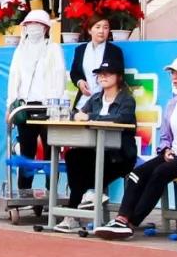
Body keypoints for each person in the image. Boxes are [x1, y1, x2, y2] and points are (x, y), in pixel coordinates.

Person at [94, 55, 177, 240]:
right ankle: (121, 218)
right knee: (138, 173)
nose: (174, 77)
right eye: (172, 73)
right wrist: (165, 148)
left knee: (160, 172)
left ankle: (131, 223)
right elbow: (166, 134)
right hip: (174, 153)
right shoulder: (172, 103)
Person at [56, 59, 137, 232]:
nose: (103, 77)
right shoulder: (95, 98)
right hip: (95, 150)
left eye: (108, 73)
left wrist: (90, 117)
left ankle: (78, 207)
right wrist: (76, 116)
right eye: (100, 74)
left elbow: (121, 118)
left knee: (91, 164)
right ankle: (80, 205)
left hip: (120, 154)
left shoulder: (127, 100)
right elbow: (79, 114)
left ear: (119, 77)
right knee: (74, 156)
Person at [5, 10, 65, 194]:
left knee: (51, 150)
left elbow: (60, 76)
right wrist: (11, 105)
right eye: (30, 25)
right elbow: (14, 79)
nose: (34, 28)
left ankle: (51, 192)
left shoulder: (53, 49)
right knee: (26, 151)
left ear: (46, 28)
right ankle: (24, 190)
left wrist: (57, 104)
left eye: (38, 25)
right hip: (25, 107)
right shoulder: (20, 51)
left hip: (49, 107)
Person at [69, 16, 123, 109]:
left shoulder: (115, 51)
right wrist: (80, 82)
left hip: (106, 103)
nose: (101, 31)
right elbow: (74, 73)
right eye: (98, 27)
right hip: (83, 103)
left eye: (105, 27)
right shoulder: (80, 50)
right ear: (90, 30)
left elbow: (120, 76)